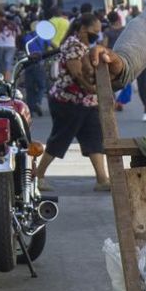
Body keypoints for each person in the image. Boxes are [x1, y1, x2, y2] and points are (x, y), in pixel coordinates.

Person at [32, 11, 110, 193]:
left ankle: (102, 179)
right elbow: (77, 74)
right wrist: (93, 89)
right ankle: (38, 176)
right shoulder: (73, 45)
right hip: (68, 101)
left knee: (94, 139)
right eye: (94, 30)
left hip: (86, 102)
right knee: (60, 138)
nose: (96, 34)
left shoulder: (83, 44)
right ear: (83, 29)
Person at [0, 10, 20, 79]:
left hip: (0, 45)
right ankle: (8, 81)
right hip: (11, 45)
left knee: (2, 64)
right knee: (8, 63)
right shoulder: (13, 24)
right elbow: (19, 33)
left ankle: (3, 79)